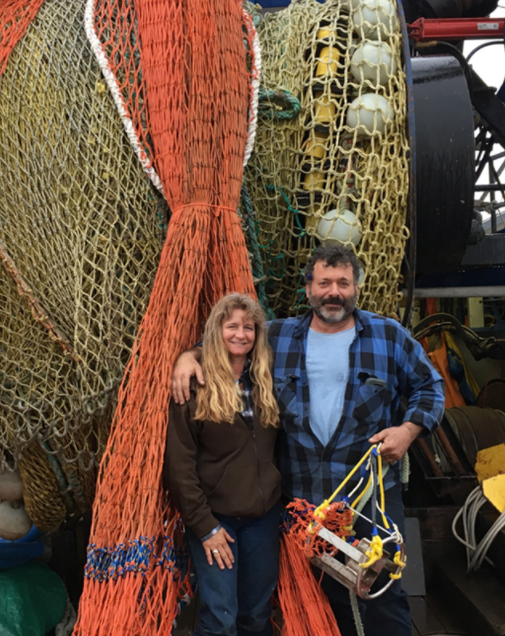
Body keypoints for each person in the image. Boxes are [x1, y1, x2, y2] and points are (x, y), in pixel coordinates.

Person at [171, 244, 445, 636]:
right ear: (308, 288)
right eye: (325, 283)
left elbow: (431, 388)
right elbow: (231, 343)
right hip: (305, 502)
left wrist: (408, 429)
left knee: (382, 594)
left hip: (370, 500)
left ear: (356, 288)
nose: (334, 292)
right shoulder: (279, 338)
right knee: (317, 600)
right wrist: (189, 356)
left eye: (343, 283)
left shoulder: (389, 336)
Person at [165, 292, 282, 636]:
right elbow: (179, 466)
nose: (241, 334)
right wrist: (205, 527)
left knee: (258, 614)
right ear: (216, 331)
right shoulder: (194, 385)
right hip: (217, 522)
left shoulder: (265, 380)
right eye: (232, 326)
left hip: (263, 518)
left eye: (249, 327)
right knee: (220, 618)